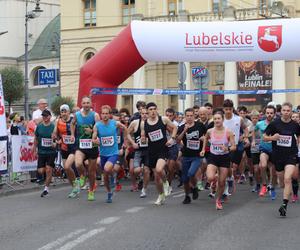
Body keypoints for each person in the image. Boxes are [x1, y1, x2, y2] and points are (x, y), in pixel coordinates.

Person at [264, 102, 300, 217]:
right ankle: (287, 192)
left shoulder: (295, 125)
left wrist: (297, 144)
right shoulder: (275, 124)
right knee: (282, 183)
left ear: (291, 112)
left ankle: (284, 204)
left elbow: (298, 136)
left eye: (288, 111)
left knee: (287, 178)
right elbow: (264, 137)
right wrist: (272, 137)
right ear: (281, 112)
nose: (286, 112)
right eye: (284, 110)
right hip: (278, 156)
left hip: (291, 155)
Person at [141, 102, 177, 205]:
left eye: (154, 109)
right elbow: (144, 136)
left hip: (163, 149)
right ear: (147, 111)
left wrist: (172, 139)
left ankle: (166, 183)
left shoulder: (163, 119)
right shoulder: (144, 123)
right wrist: (143, 139)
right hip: (151, 151)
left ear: (157, 110)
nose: (153, 111)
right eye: (150, 109)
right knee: (157, 178)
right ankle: (161, 195)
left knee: (159, 169)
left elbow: (175, 128)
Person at [202, 108, 236, 210]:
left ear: (222, 120)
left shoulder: (228, 132)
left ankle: (218, 200)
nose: (217, 121)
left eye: (219, 118)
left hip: (224, 158)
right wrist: (203, 149)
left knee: (221, 182)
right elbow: (205, 139)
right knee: (210, 177)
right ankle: (214, 180)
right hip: (213, 156)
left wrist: (228, 148)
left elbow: (234, 146)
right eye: (215, 119)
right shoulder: (210, 131)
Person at [92, 105, 128, 203]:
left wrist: (125, 142)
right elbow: (94, 138)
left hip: (113, 153)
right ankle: (109, 192)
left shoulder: (115, 123)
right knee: (106, 176)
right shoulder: (97, 125)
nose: (104, 115)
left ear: (110, 114)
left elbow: (125, 128)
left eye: (106, 113)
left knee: (107, 169)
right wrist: (96, 141)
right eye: (103, 114)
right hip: (103, 153)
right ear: (101, 114)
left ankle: (113, 177)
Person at [71, 96, 100, 201]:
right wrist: (73, 135)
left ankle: (91, 191)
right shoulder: (77, 115)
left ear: (91, 104)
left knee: (92, 173)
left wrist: (92, 131)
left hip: (92, 146)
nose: (86, 105)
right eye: (84, 103)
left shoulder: (95, 115)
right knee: (78, 163)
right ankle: (83, 175)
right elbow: (72, 124)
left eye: (88, 103)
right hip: (81, 145)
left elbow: (99, 129)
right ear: (81, 104)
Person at [177, 108, 207, 204]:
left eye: (191, 116)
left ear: (194, 116)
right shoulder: (182, 127)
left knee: (191, 173)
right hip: (186, 155)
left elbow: (206, 137)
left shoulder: (200, 125)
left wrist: (203, 148)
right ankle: (187, 195)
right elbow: (178, 140)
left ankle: (194, 188)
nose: (189, 118)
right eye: (187, 116)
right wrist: (184, 131)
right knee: (185, 179)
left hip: (196, 156)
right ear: (185, 117)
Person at [53, 104, 78, 198]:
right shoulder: (58, 121)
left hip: (73, 147)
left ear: (69, 112)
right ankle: (74, 188)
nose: (63, 113)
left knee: (67, 166)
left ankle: (77, 182)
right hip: (64, 148)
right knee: (67, 171)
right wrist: (56, 139)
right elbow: (55, 133)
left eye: (65, 111)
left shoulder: (73, 120)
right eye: (62, 112)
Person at [127, 107, 150, 198]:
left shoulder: (152, 123)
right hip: (138, 150)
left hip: (149, 151)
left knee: (147, 170)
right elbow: (127, 133)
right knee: (135, 170)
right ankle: (140, 178)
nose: (145, 115)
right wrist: (132, 143)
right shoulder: (135, 123)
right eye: (143, 113)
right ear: (140, 114)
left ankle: (144, 189)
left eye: (146, 113)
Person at [33, 110, 56, 197]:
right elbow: (36, 138)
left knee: (48, 169)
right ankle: (49, 176)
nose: (45, 117)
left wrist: (55, 143)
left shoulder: (53, 127)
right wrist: (34, 149)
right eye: (43, 116)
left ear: (50, 117)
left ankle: (46, 188)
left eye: (46, 116)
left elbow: (57, 139)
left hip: (51, 152)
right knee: (41, 170)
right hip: (41, 152)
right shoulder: (39, 127)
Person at [255, 105, 276, 198]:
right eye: (267, 113)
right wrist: (252, 140)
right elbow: (253, 132)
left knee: (273, 171)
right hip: (264, 148)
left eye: (271, 113)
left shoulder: (277, 124)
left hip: (275, 150)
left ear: (274, 114)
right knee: (262, 165)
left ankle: (271, 186)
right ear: (265, 113)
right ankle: (264, 185)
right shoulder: (260, 124)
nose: (269, 115)